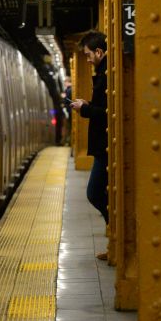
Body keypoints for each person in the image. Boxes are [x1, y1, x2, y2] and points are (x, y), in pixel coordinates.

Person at [69, 30, 108, 261]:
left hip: (105, 146)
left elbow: (106, 112)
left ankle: (116, 237)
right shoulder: (103, 73)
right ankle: (114, 240)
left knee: (94, 193)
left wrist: (84, 109)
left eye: (87, 55)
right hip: (103, 145)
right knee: (98, 193)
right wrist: (87, 104)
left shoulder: (106, 74)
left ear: (99, 52)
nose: (87, 59)